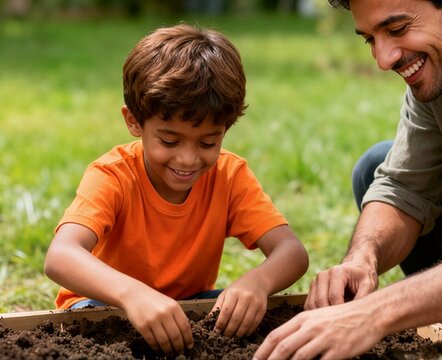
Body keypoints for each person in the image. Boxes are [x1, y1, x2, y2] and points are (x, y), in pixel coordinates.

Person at [254, 0, 442, 359]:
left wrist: (374, 313)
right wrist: (362, 259)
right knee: (375, 167)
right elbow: (402, 187)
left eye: (397, 29)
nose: (383, 59)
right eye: (370, 39)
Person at [43, 23, 309, 357]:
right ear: (134, 122)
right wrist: (133, 295)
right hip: (102, 310)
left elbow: (291, 252)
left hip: (188, 308)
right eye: (170, 140)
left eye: (208, 142)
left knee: (241, 316)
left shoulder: (229, 175)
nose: (188, 158)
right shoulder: (113, 175)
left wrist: (257, 283)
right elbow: (60, 256)